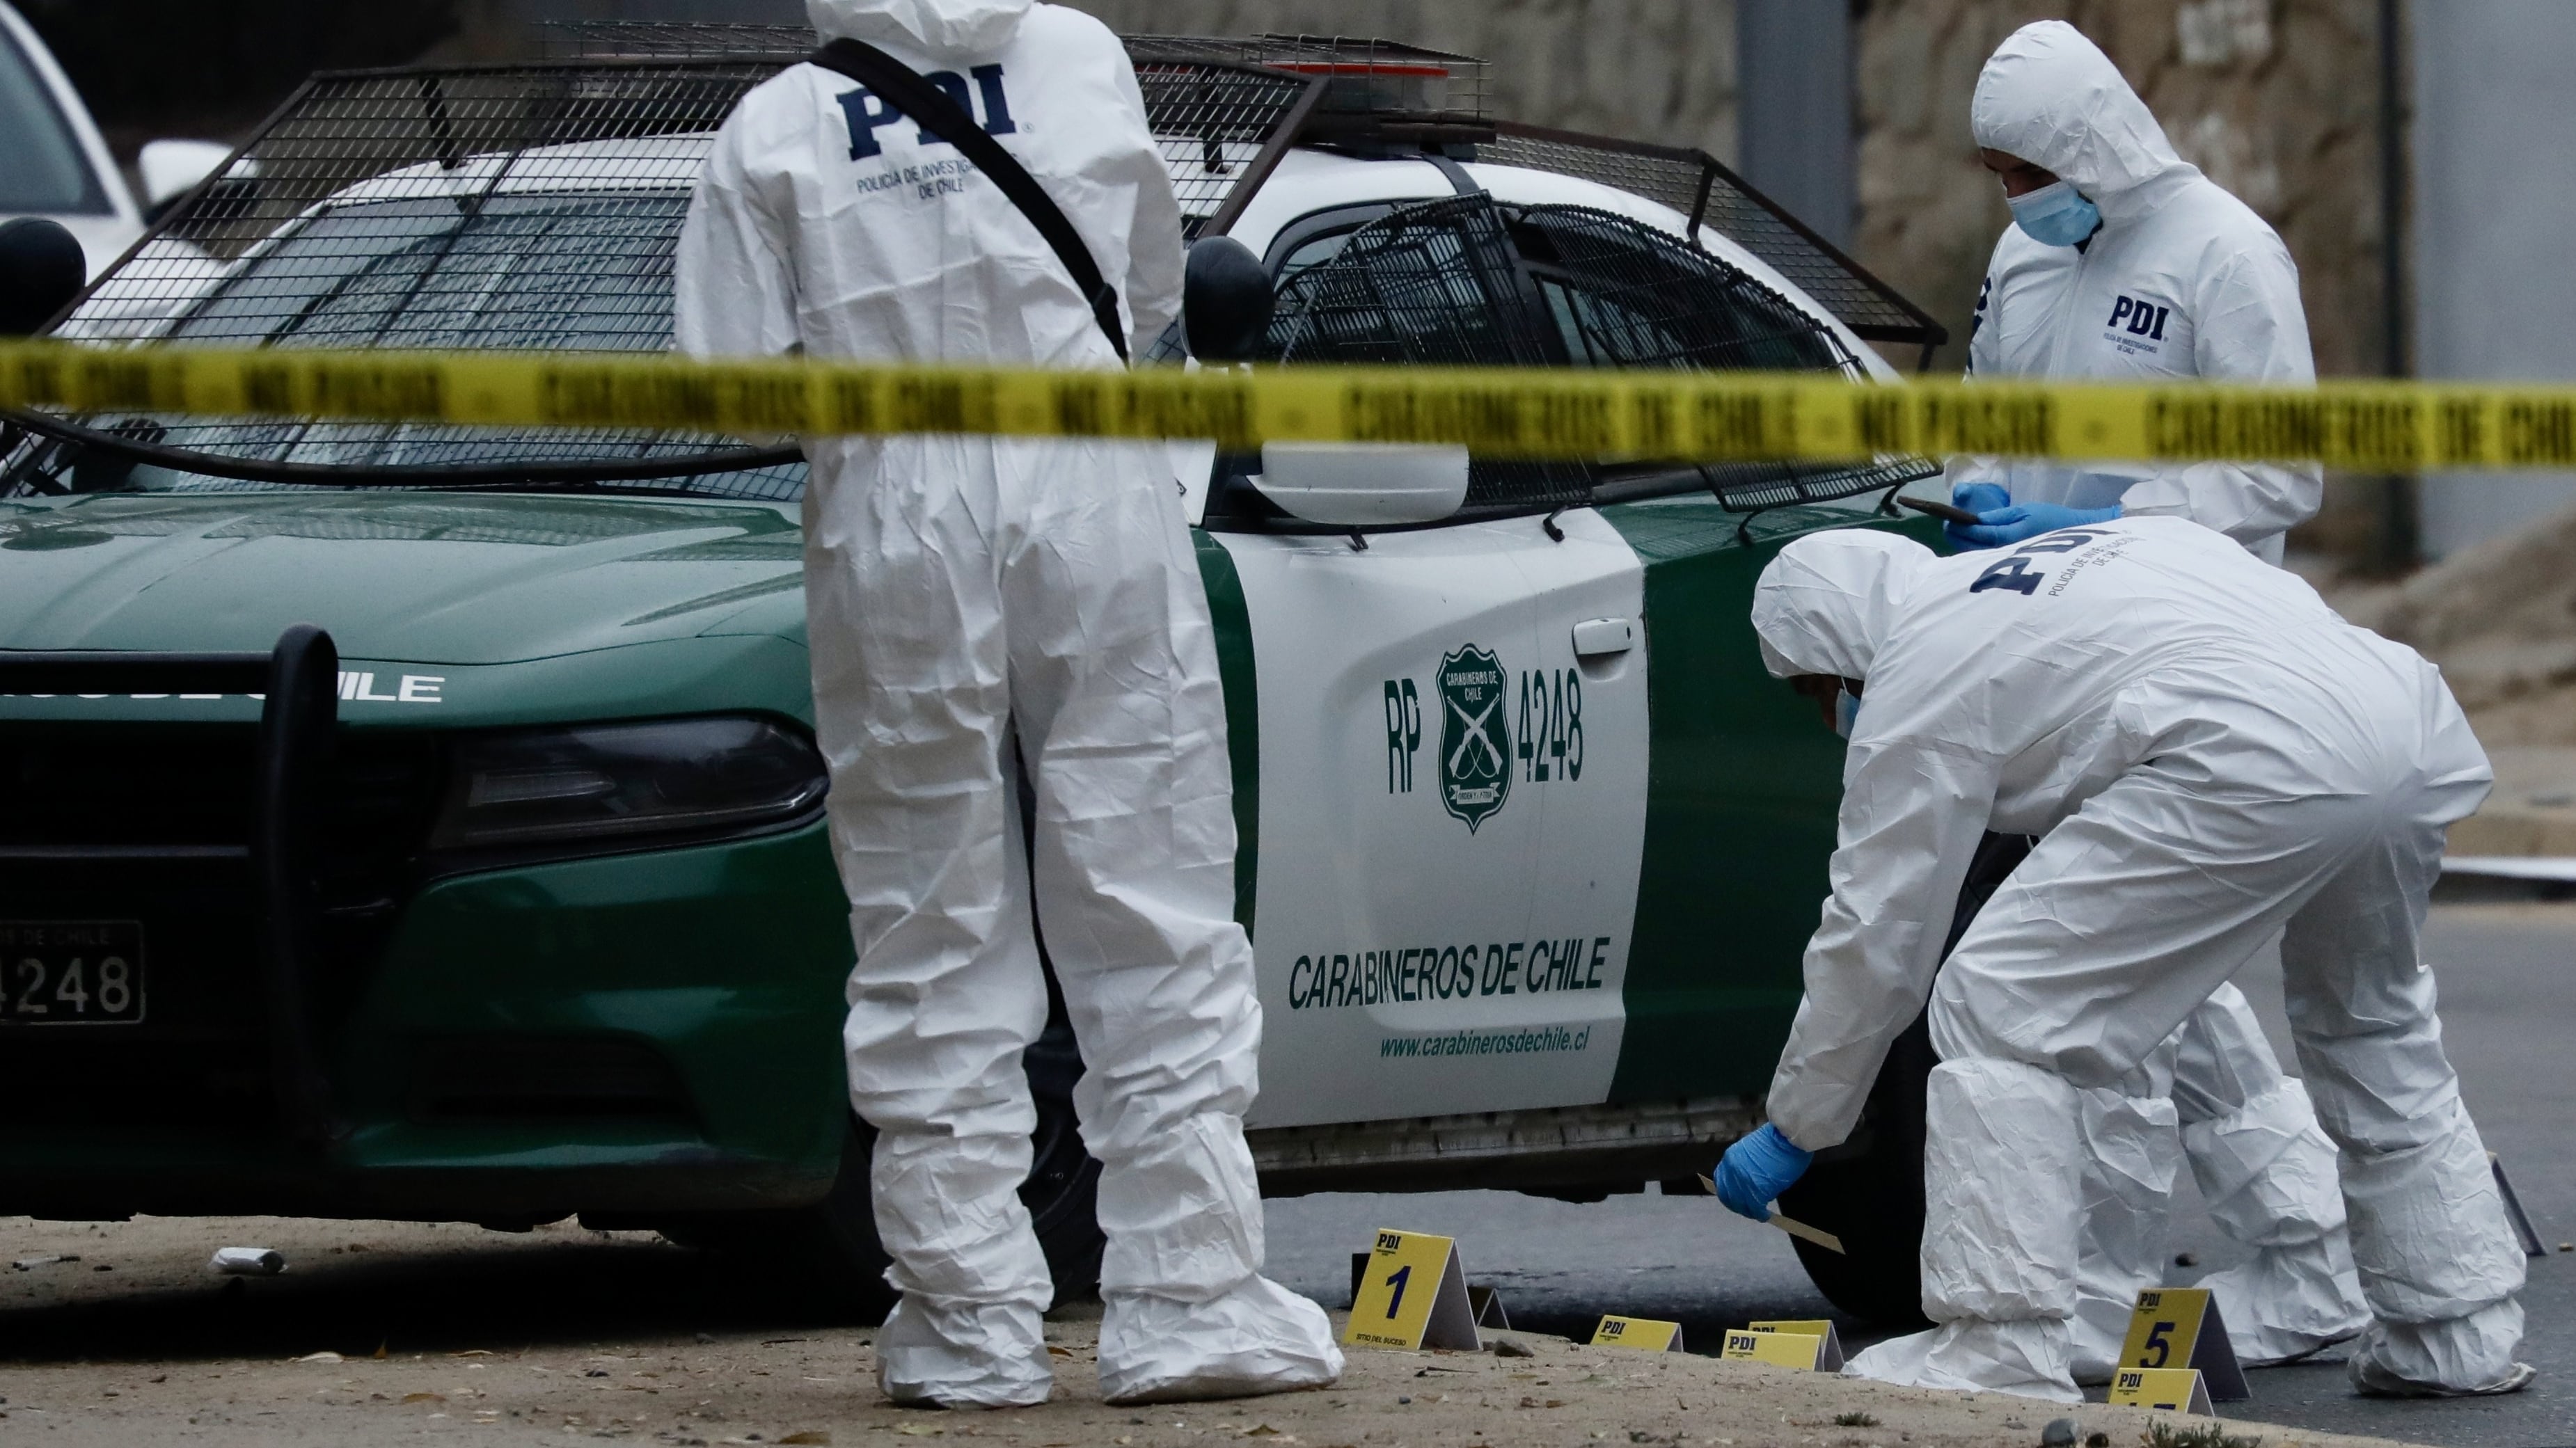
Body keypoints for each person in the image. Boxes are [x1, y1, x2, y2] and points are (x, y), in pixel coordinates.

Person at [672, 0, 1342, 1410]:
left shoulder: (775, 124)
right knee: (1148, 876)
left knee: (927, 905)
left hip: (893, 496)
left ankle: (965, 1315)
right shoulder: (1080, 57)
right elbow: (1148, 291)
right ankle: (1191, 1297)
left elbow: (732, 383)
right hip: (1087, 473)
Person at [1716, 518, 2529, 1403]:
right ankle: (2451, 1331)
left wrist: (1798, 1122)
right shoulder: (2072, 560)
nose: (1828, 716)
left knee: (1991, 1002)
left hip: (2249, 751)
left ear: (1841, 652)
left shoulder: (1916, 668)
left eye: (1817, 690)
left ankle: (2000, 1344)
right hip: (2400, 720)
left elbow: (1876, 933)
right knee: (2372, 1020)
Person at [1941, 19, 2362, 1376]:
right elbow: (1982, 416)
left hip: (2188, 655)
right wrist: (1974, 505)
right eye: (1999, 176)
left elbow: (2279, 472)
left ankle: (2097, 1292)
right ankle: (2313, 1247)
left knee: (2102, 965)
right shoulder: (2021, 261)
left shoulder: (2223, 253)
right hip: (2052, 653)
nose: (2015, 197)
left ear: (2090, 144)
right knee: (2155, 971)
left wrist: (2110, 520)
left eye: (2028, 171)